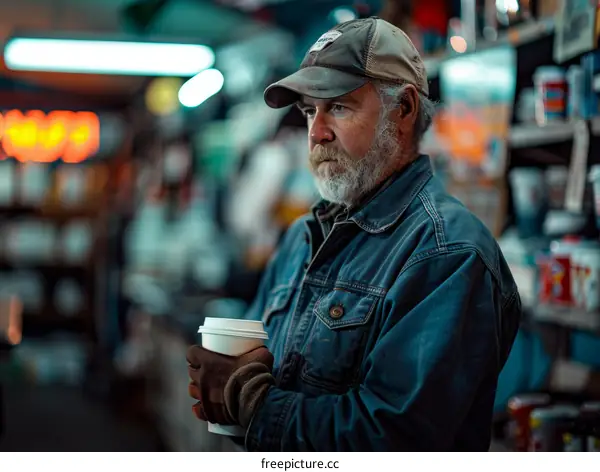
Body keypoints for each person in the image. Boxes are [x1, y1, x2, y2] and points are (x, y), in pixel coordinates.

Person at [186, 16, 522, 452]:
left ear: (402, 110)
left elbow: (394, 442)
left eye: (338, 107)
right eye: (309, 110)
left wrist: (252, 402)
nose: (316, 132)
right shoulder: (301, 239)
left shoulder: (448, 254)